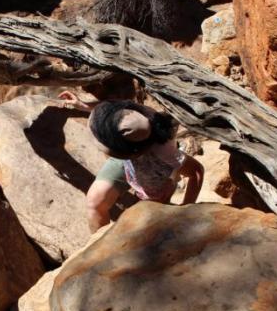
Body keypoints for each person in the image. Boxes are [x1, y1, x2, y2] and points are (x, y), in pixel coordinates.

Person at [58, 91, 204, 232]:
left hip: (152, 169)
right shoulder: (131, 115)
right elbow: (111, 110)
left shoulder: (163, 151)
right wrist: (83, 105)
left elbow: (196, 172)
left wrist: (186, 209)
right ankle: (101, 244)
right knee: (95, 202)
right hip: (126, 159)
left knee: (150, 219)